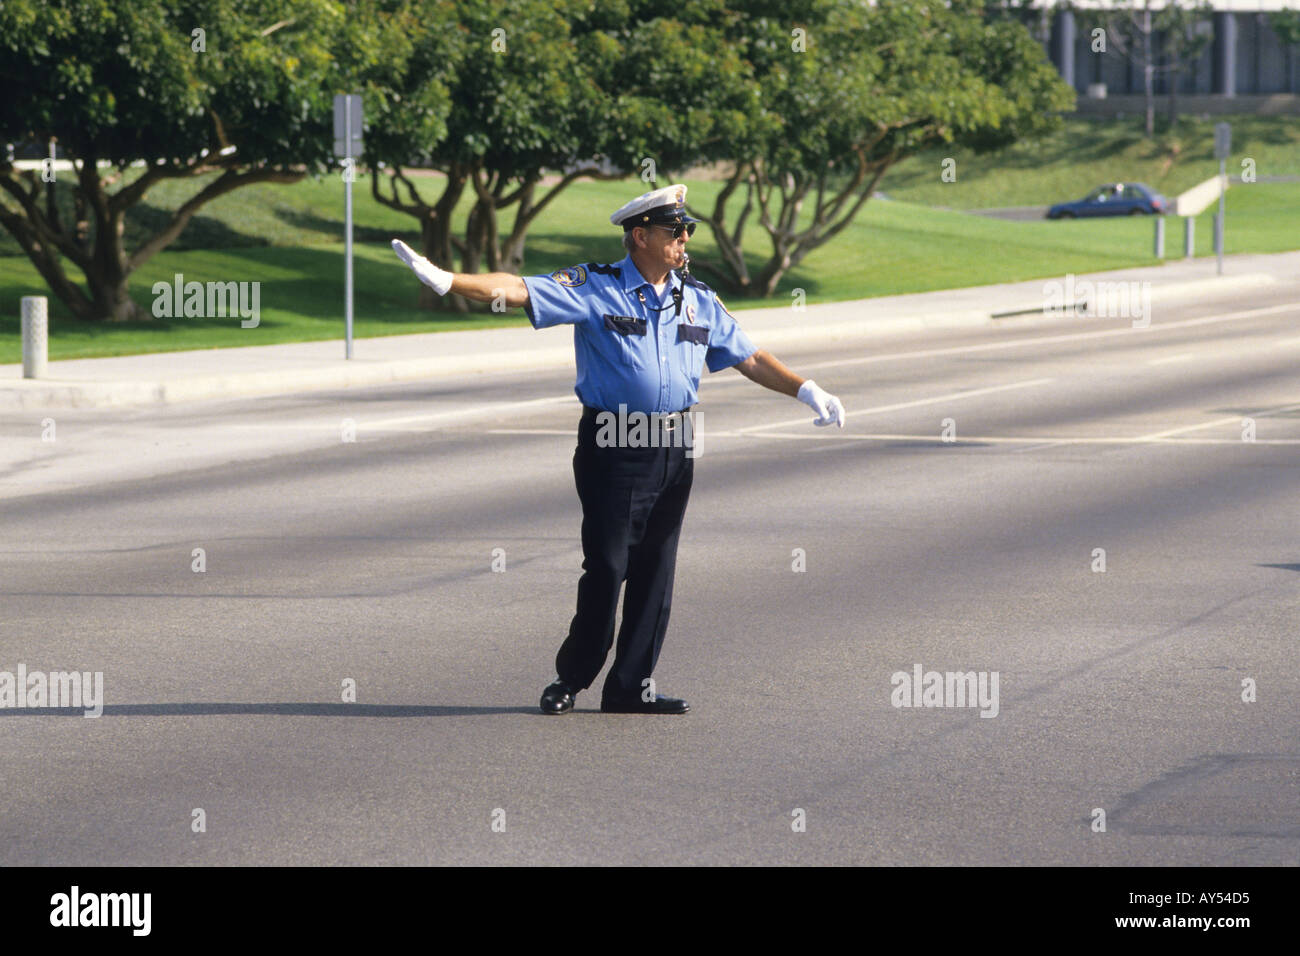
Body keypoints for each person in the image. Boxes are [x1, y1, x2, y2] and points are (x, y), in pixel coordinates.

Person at [392, 184, 845, 715]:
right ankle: (573, 676)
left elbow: (747, 356)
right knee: (608, 567)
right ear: (640, 236)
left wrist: (805, 388)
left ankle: (631, 686)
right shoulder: (595, 286)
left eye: (687, 230)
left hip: (674, 442)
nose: (685, 240)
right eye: (675, 232)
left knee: (656, 569)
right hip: (615, 442)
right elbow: (518, 288)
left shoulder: (695, 295)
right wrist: (449, 281)